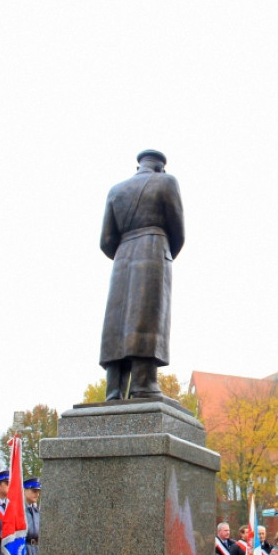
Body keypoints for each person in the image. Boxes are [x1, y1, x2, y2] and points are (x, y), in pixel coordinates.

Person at [99, 149, 185, 400]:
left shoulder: (116, 190)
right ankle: (143, 384)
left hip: (122, 256)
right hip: (154, 250)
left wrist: (125, 249)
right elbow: (178, 232)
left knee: (117, 320)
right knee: (148, 316)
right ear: (160, 167)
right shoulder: (167, 182)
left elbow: (106, 241)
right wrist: (163, 250)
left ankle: (114, 388)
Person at [9, 477, 40, 555]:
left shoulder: (36, 511)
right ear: (24, 491)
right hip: (22, 554)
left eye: (38, 491)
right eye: (33, 491)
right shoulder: (18, 510)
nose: (36, 494)